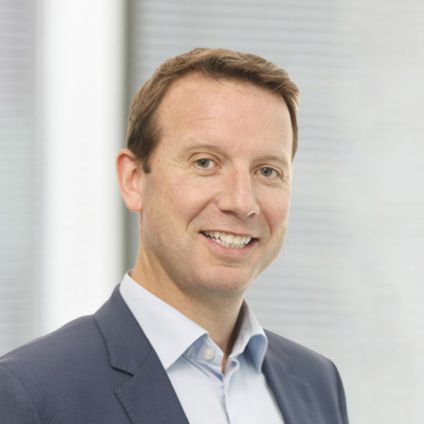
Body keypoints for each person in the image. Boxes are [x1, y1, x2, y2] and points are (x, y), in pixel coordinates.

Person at [0, 48, 348, 424]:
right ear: (133, 180)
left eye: (267, 171)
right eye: (205, 162)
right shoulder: (31, 393)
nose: (241, 202)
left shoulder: (317, 383)